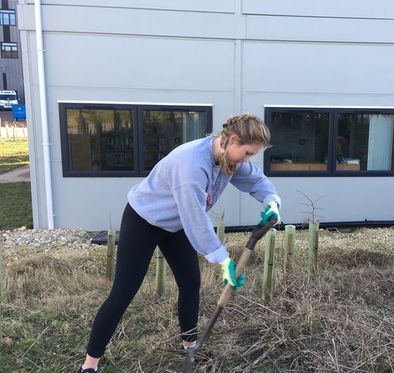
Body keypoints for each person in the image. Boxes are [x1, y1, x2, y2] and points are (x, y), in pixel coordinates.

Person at [77, 114, 282, 373]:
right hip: (144, 220)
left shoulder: (230, 158)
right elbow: (195, 219)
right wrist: (223, 261)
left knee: (190, 282)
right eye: (247, 152)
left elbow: (257, 181)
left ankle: (189, 345)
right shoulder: (191, 165)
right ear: (232, 139)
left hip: (176, 224)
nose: (247, 159)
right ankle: (90, 364)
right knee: (123, 293)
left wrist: (271, 202)